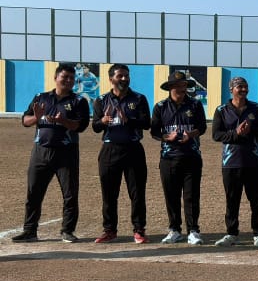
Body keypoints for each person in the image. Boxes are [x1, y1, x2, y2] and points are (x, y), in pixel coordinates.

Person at [12, 63, 90, 243]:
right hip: (41, 152)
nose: (68, 80)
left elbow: (81, 126)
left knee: (70, 194)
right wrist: (37, 117)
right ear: (56, 78)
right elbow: (25, 121)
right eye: (65, 77)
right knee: (33, 192)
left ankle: (67, 231)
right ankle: (29, 231)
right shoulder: (41, 98)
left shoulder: (79, 101)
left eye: (72, 78)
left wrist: (63, 121)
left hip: (66, 153)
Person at [92, 64, 151, 244]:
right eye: (120, 76)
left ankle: (139, 230)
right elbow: (95, 127)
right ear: (111, 79)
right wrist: (102, 121)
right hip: (110, 150)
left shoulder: (139, 98)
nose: (124, 79)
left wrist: (129, 120)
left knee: (137, 193)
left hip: (133, 149)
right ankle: (109, 230)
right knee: (109, 194)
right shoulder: (101, 100)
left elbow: (146, 123)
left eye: (126, 75)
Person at [212, 77, 258, 247]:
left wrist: (251, 129)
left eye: (245, 87)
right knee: (232, 200)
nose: (243, 90)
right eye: (239, 87)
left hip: (254, 162)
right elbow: (216, 135)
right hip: (231, 163)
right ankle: (231, 234)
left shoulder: (256, 108)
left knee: (257, 201)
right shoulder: (222, 110)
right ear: (231, 89)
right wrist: (236, 133)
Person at [151, 71, 207, 245]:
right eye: (178, 86)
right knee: (171, 195)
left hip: (191, 157)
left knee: (191, 196)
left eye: (184, 85)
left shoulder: (195, 105)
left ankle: (193, 231)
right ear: (170, 88)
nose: (182, 89)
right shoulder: (160, 107)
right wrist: (168, 137)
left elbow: (202, 127)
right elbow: (154, 131)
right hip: (168, 158)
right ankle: (174, 230)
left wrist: (190, 134)